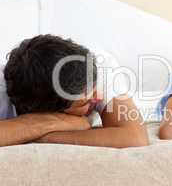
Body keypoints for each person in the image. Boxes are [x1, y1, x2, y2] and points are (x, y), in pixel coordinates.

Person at [0, 35, 148, 148]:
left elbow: (135, 138)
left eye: (94, 86)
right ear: (49, 111)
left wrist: (46, 136)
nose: (99, 97)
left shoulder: (98, 67)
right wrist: (44, 124)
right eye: (86, 102)